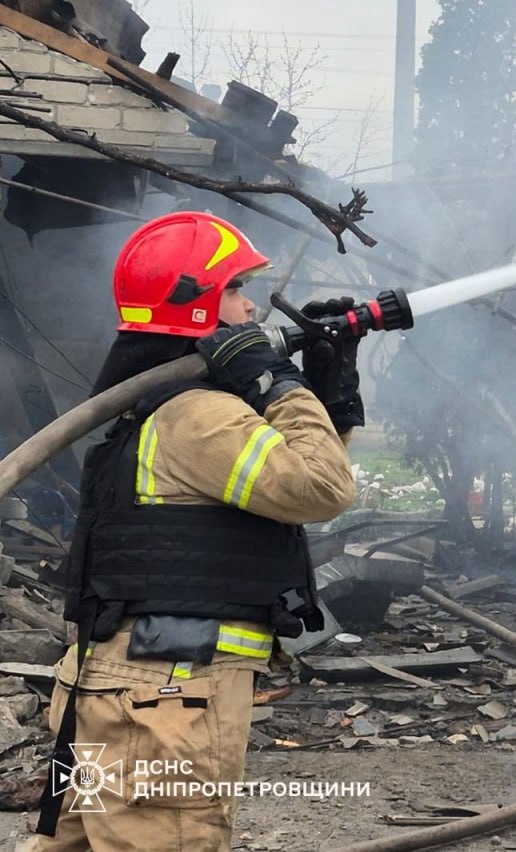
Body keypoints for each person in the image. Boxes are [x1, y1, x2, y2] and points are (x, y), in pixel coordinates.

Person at [27, 211, 362, 851]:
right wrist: (280, 383)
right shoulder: (198, 415)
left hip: (128, 688)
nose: (252, 307)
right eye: (237, 290)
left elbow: (287, 481)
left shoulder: (172, 409)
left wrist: (328, 394)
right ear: (202, 307)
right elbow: (320, 489)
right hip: (165, 698)